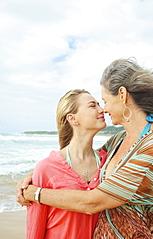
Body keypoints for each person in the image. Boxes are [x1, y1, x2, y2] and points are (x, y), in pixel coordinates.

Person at [18, 57, 153, 238]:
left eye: (104, 101)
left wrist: (35, 192)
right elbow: (80, 161)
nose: (104, 109)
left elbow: (93, 203)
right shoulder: (118, 141)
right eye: (96, 104)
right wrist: (39, 174)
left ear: (123, 95)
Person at [25, 89, 108, 238]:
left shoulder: (108, 163)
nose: (102, 110)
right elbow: (35, 228)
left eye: (99, 104)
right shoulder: (46, 168)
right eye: (92, 106)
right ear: (72, 118)